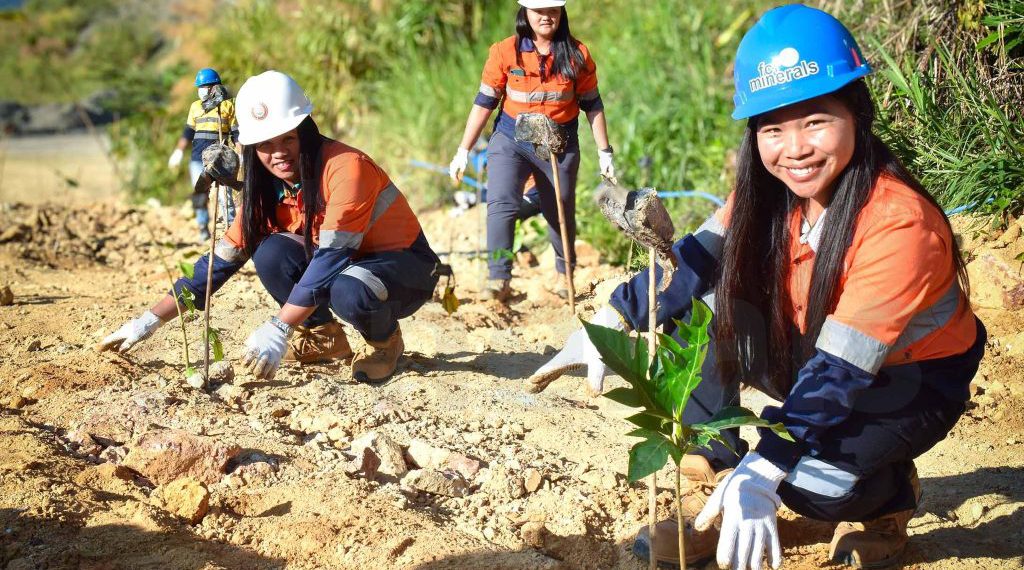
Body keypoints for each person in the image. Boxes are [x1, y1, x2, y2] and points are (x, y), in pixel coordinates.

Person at [528, 5, 985, 569]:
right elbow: (690, 265)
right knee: (696, 307)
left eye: (815, 120)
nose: (795, 149)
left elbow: (843, 371)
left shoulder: (898, 221)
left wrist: (765, 468)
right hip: (819, 355)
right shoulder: (767, 195)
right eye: (773, 128)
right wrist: (613, 321)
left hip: (905, 383)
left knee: (809, 484)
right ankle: (711, 476)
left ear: (856, 113)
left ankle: (887, 499)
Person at [104, 70, 441, 383]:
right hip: (348, 266)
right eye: (264, 145)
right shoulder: (270, 189)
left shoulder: (346, 169)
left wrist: (280, 327)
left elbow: (331, 258)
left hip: (405, 269)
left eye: (287, 140)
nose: (278, 153)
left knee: (346, 287)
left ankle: (385, 344)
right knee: (271, 252)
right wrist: (148, 321)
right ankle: (325, 337)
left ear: (305, 132)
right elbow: (218, 264)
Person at [448, 0, 615, 301]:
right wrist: (463, 149)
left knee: (559, 207)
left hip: (558, 144)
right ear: (525, 12)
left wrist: (605, 152)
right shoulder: (504, 52)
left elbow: (593, 104)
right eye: (539, 10)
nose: (546, 16)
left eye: (553, 10)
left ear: (561, 13)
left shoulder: (577, 54)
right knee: (501, 204)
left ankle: (565, 275)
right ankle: (499, 279)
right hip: (511, 139)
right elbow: (484, 102)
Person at [167, 68, 240, 243]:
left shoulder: (227, 106)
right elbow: (188, 132)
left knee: (225, 196)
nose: (201, 90)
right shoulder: (195, 107)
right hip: (197, 159)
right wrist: (178, 151)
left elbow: (236, 134)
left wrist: (240, 154)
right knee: (200, 193)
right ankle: (202, 228)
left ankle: (230, 233)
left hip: (220, 159)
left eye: (205, 86)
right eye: (199, 87)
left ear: (214, 87)